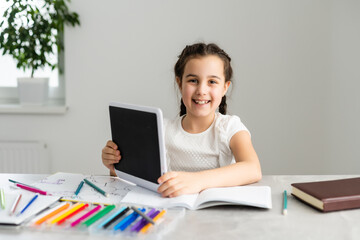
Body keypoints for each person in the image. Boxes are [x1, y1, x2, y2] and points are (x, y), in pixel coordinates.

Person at [102, 43, 262, 198]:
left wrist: (197, 181)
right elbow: (138, 179)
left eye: (212, 82)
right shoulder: (161, 129)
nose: (201, 90)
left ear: (225, 87)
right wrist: (115, 165)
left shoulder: (230, 127)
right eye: (193, 80)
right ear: (180, 83)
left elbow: (252, 169)